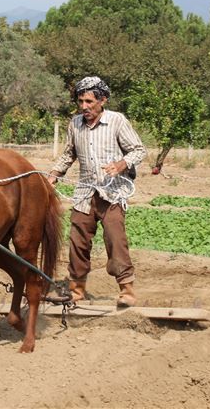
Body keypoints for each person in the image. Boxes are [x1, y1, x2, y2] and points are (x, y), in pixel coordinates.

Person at [48, 76, 146, 307]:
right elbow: (69, 154)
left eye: (89, 101)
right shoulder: (75, 124)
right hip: (84, 192)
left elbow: (139, 150)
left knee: (115, 238)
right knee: (77, 241)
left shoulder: (117, 121)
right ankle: (77, 290)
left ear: (102, 100)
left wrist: (120, 165)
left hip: (112, 192)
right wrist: (54, 175)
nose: (84, 107)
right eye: (81, 101)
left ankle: (127, 290)